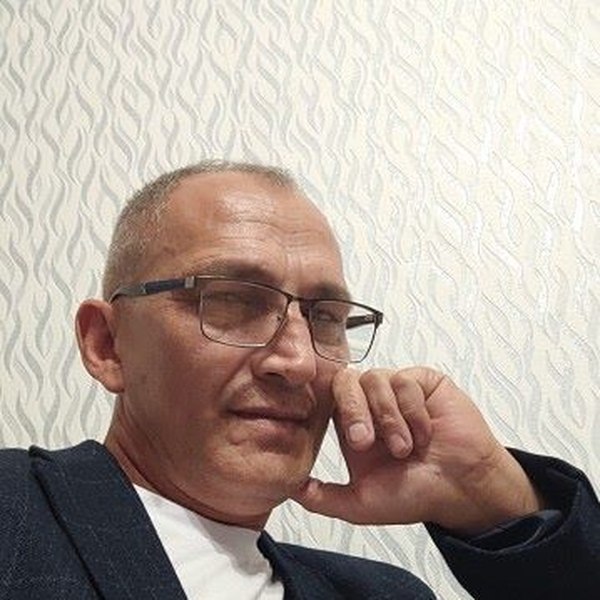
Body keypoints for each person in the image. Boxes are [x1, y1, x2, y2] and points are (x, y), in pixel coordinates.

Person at [1, 161, 598, 599]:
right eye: (231, 301)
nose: (299, 363)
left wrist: (492, 499)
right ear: (107, 345)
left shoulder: (383, 594)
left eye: (325, 318)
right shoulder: (14, 513)